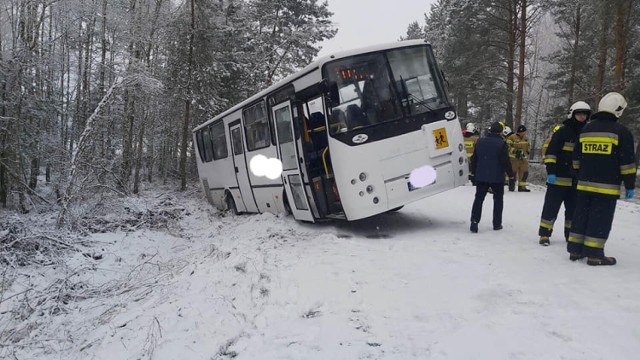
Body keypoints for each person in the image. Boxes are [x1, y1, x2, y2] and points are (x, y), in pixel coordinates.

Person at [567, 92, 636, 265]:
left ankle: (575, 250)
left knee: (580, 214)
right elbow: (627, 162)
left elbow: (576, 157)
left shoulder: (586, 129)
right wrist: (629, 184)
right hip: (607, 186)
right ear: (618, 110)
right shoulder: (621, 132)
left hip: (583, 183)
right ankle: (594, 254)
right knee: (600, 218)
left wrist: (579, 174)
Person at [538, 102, 591, 246]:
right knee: (551, 207)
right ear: (572, 114)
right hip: (558, 179)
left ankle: (570, 235)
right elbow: (551, 154)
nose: (582, 117)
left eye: (584, 114)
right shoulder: (562, 132)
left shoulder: (587, 133)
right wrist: (551, 172)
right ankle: (544, 234)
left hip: (576, 180)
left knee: (573, 211)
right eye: (579, 114)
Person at [469, 121, 515, 233]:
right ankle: (497, 224)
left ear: (489, 130)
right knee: (498, 200)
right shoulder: (501, 144)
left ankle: (474, 222)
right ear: (500, 132)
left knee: (479, 199)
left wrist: (473, 173)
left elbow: (474, 159)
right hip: (497, 177)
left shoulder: (480, 142)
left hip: (481, 176)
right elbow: (505, 161)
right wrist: (511, 175)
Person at [507, 125, 531, 192]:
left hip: (523, 159)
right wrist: (515, 151)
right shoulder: (511, 137)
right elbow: (507, 147)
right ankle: (511, 186)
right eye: (521, 132)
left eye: (523, 132)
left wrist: (527, 151)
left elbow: (528, 146)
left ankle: (522, 187)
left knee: (524, 172)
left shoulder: (526, 138)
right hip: (514, 159)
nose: (522, 133)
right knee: (513, 173)